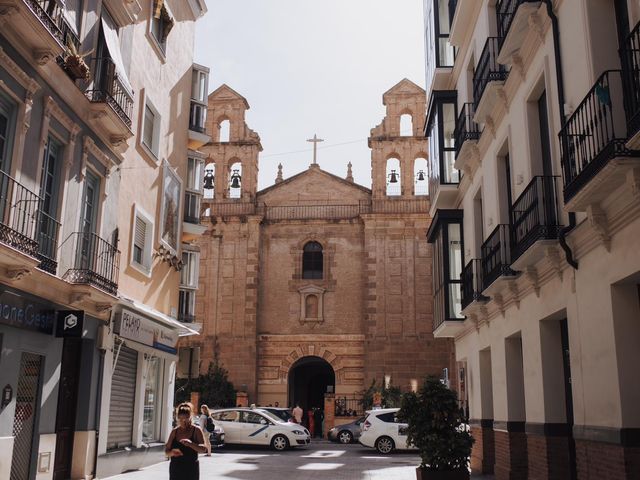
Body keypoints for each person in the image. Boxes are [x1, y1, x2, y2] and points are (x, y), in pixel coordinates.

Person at [165, 403, 207, 480]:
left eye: (186, 418)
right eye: (181, 419)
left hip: (191, 469)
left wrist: (191, 444)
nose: (183, 421)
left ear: (190, 417)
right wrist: (172, 453)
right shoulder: (174, 431)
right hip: (176, 468)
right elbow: (167, 451)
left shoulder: (196, 430)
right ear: (177, 418)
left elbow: (203, 449)